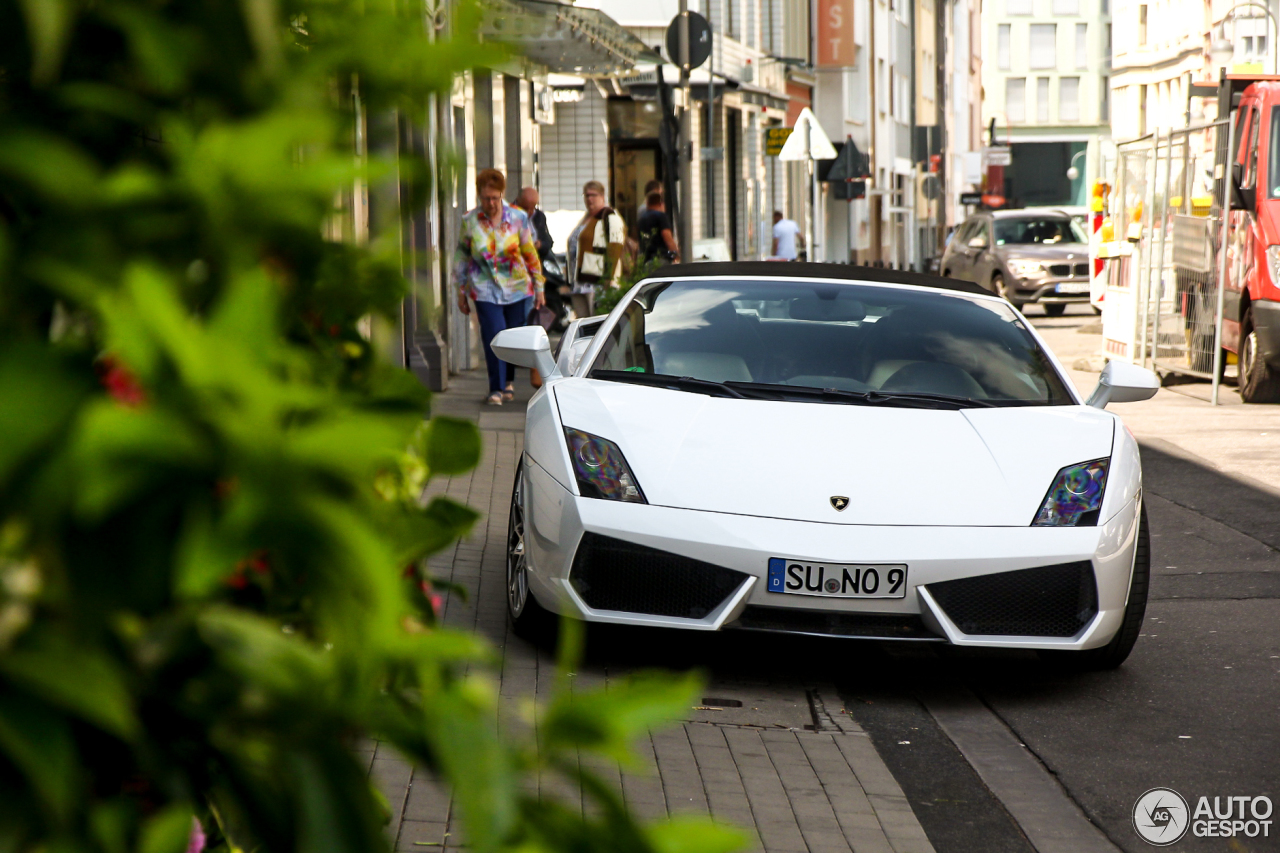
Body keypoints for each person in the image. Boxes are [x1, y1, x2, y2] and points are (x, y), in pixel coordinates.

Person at [453, 168, 545, 406]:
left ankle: (508, 382)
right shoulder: (470, 220)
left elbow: (529, 252)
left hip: (516, 287)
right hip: (484, 288)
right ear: (479, 196)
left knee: (512, 337)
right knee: (494, 335)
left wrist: (539, 286)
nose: (491, 203)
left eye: (495, 198)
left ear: (502, 195)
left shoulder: (517, 218)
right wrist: (460, 291)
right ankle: (496, 388)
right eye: (486, 198)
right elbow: (462, 256)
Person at [567, 180, 626, 318]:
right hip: (580, 282)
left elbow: (616, 246)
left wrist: (607, 278)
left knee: (598, 322)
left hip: (598, 282)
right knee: (584, 324)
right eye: (586, 195)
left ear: (602, 196)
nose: (589, 199)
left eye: (593, 195)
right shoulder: (586, 218)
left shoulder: (609, 216)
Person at [637, 190, 680, 264]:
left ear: (647, 204)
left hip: (646, 260)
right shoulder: (661, 216)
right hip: (660, 259)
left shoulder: (641, 219)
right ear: (661, 204)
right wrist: (676, 253)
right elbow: (667, 236)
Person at [515, 186, 554, 264]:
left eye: (532, 208)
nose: (529, 212)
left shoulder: (539, 216)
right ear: (518, 202)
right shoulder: (508, 214)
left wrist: (541, 245)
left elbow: (548, 241)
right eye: (525, 208)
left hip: (536, 261)